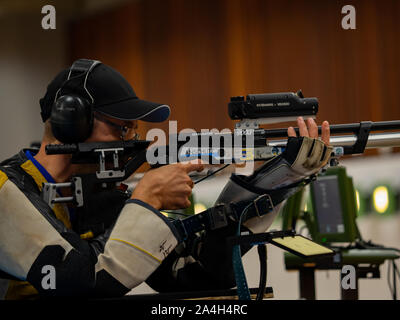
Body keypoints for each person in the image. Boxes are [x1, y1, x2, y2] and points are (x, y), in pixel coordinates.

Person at [0, 59, 331, 299]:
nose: (130, 138)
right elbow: (78, 283)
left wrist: (270, 181)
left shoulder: (97, 196)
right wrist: (145, 201)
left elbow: (196, 276)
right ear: (71, 120)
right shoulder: (6, 188)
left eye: (133, 129)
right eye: (121, 127)